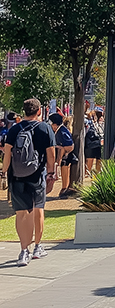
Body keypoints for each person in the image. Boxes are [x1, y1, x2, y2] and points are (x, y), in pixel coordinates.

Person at [1, 99, 56, 266]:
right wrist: (52, 173)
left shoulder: (14, 129)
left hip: (17, 176)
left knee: (21, 213)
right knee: (38, 208)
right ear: (39, 111)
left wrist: (4, 173)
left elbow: (7, 155)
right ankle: (37, 247)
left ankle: (24, 250)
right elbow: (51, 154)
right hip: (37, 174)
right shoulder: (45, 128)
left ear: (23, 111)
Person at [49, 114, 77, 198]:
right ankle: (64, 188)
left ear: (54, 124)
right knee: (64, 171)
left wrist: (61, 149)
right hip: (63, 155)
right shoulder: (60, 130)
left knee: (65, 172)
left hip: (66, 156)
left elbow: (70, 146)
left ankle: (65, 189)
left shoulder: (62, 131)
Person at [84, 109, 103, 176]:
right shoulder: (87, 122)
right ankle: (87, 174)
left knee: (98, 160)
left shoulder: (98, 124)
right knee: (90, 160)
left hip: (97, 144)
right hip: (90, 144)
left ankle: (97, 174)